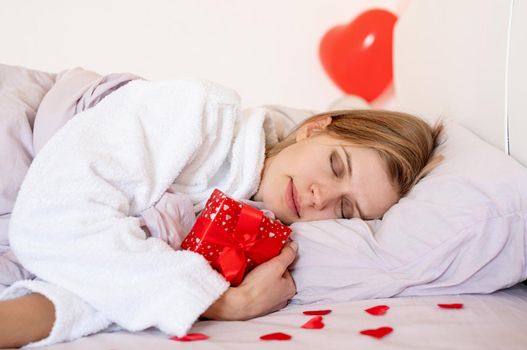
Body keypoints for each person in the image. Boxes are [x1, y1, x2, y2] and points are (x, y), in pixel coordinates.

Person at [0, 77, 443, 348]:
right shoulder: (198, 111)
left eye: (345, 209)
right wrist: (218, 303)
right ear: (313, 128)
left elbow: (111, 279)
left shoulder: (244, 233)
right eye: (334, 165)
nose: (318, 197)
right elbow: (54, 222)